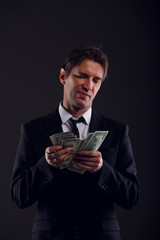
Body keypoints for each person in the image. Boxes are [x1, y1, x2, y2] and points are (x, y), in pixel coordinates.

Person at [11, 46, 140, 240]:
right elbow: (18, 197)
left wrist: (102, 170)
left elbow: (132, 197)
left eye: (96, 80)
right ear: (63, 76)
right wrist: (45, 166)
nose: (89, 85)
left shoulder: (118, 131)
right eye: (82, 76)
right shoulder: (32, 130)